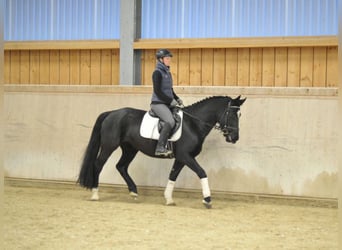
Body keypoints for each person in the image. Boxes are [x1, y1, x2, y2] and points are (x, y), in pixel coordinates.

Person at [150, 49, 183, 156]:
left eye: (169, 59)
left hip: (167, 103)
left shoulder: (167, 73)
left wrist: (177, 98)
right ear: (161, 59)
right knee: (170, 121)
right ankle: (160, 147)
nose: (169, 60)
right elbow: (158, 91)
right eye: (167, 58)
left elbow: (170, 90)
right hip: (158, 103)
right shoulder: (157, 73)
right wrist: (170, 100)